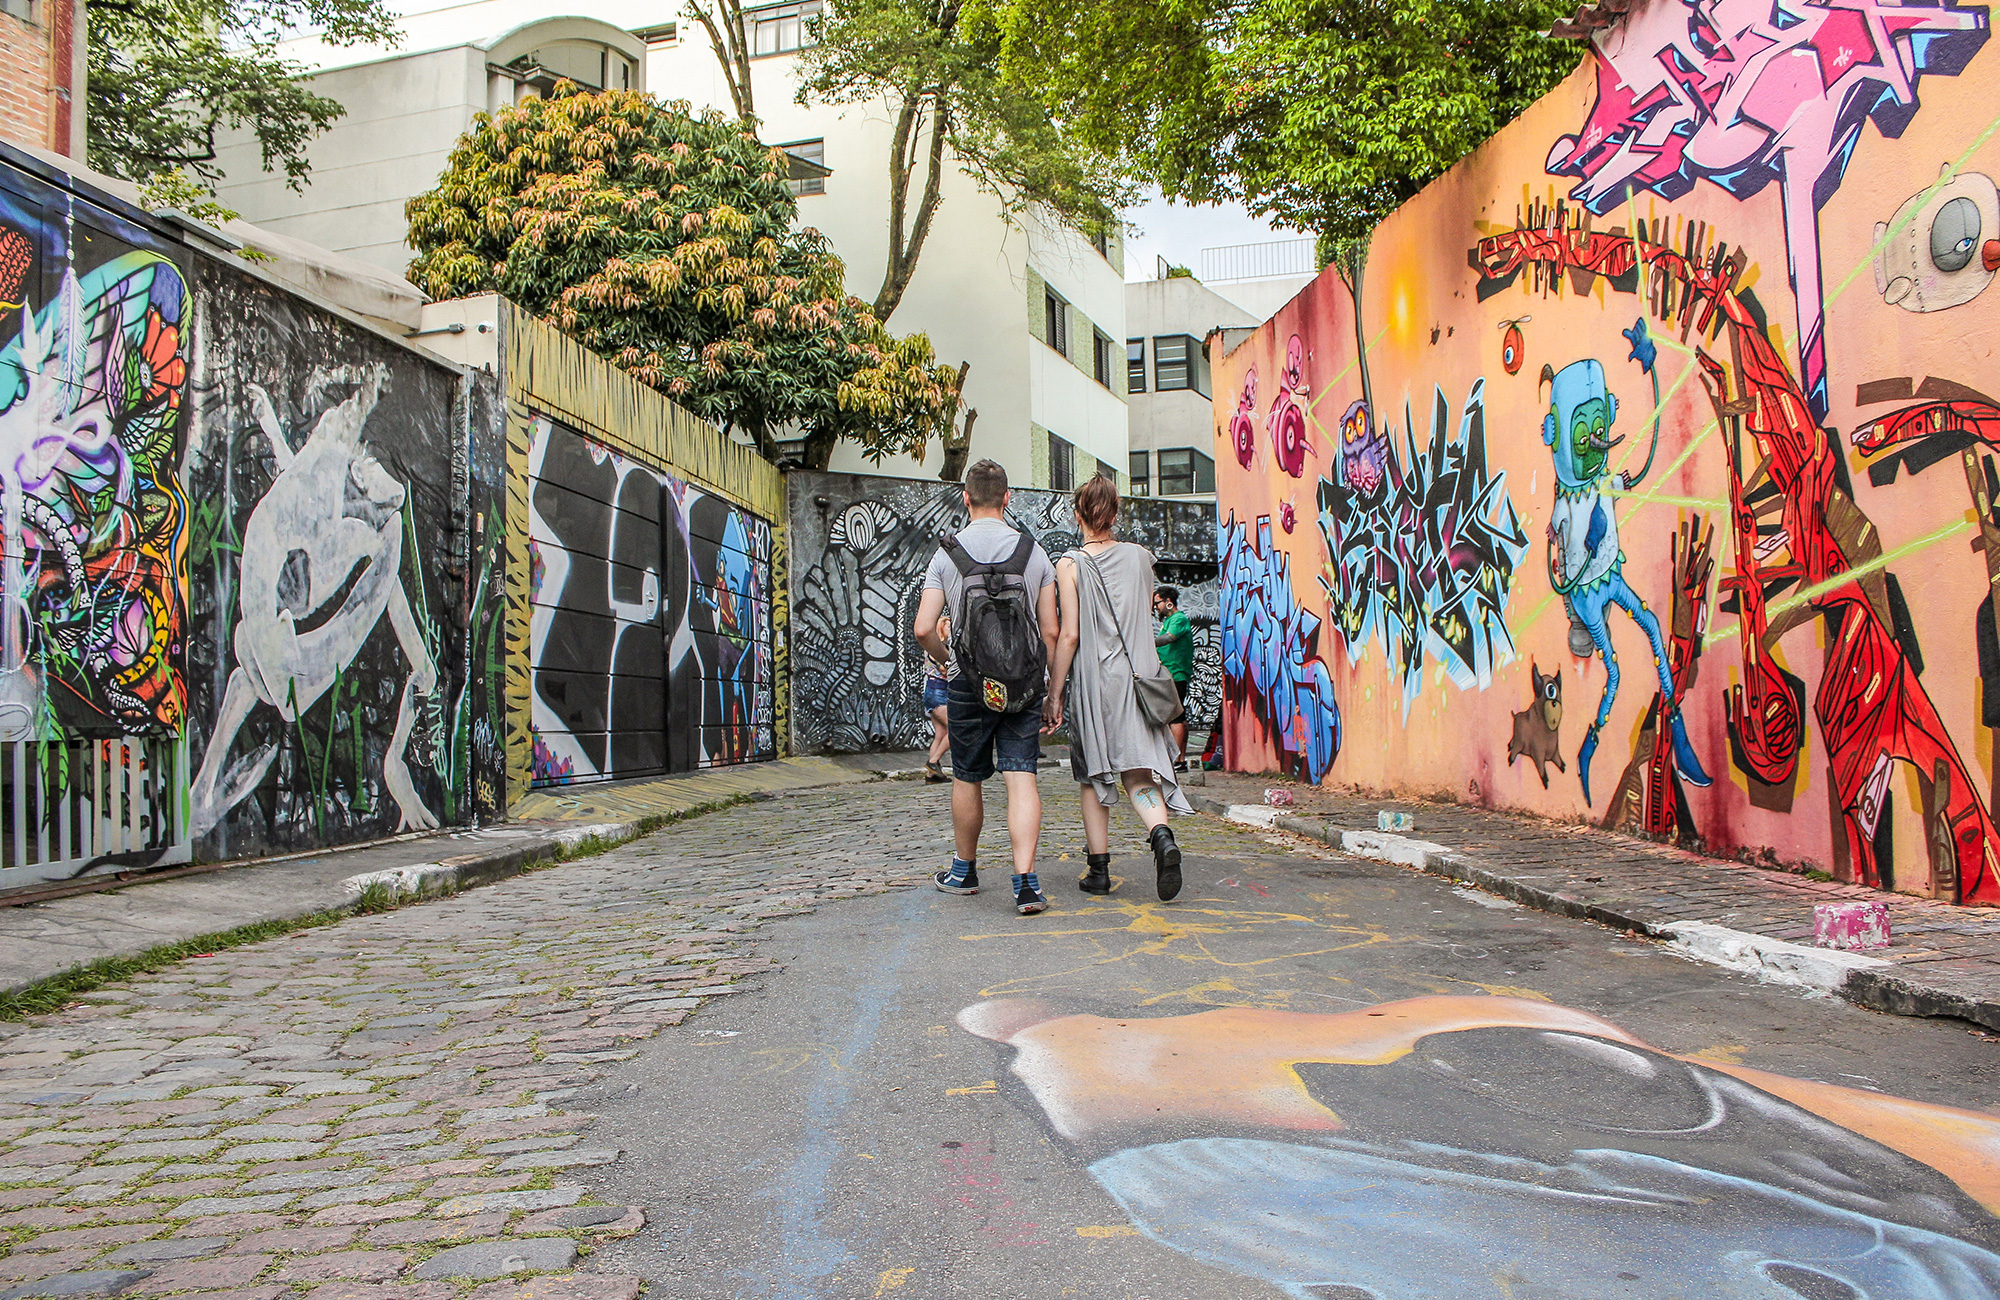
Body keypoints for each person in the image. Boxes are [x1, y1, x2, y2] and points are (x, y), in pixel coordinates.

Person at [913, 460, 1060, 916]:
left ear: (966, 497)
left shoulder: (946, 554)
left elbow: (923, 629)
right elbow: (1051, 631)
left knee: (967, 776)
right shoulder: (1033, 552)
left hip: (969, 684)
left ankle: (964, 871)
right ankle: (1027, 884)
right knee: (1022, 778)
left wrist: (950, 662)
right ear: (1008, 498)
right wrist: (1052, 690)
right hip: (1023, 684)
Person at [1047, 475, 1191, 900]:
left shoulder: (1069, 564)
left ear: (1078, 516)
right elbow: (1140, 618)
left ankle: (1099, 872)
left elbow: (1070, 635)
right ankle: (1161, 835)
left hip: (1098, 682)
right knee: (1139, 771)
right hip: (1141, 677)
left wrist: (1055, 693)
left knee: (1095, 775)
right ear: (1115, 514)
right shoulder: (1142, 558)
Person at [1153, 585, 1194, 767]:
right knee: (1179, 715)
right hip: (1170, 672)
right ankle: (1180, 759)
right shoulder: (1169, 620)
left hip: (1175, 673)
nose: (1156, 607)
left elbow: (1169, 638)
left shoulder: (1178, 619)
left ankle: (1177, 760)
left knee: (1175, 717)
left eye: (1157, 603)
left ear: (1168, 602)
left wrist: (1146, 641)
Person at [923, 616, 952, 783]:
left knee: (940, 734)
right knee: (956, 729)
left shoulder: (940, 647)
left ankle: (932, 775)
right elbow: (944, 669)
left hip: (935, 691)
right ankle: (933, 762)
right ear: (941, 629)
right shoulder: (937, 648)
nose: (951, 630)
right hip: (938, 691)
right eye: (948, 627)